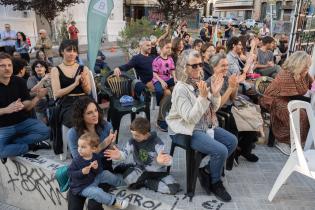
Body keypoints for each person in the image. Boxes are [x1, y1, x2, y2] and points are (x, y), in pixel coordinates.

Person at [166, 50, 237, 202]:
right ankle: (215, 181)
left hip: (205, 125)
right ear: (184, 67)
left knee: (232, 141)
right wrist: (204, 98)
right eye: (194, 66)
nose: (198, 68)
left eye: (200, 65)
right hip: (187, 130)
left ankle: (206, 170)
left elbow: (214, 107)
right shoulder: (180, 88)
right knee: (221, 150)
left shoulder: (200, 82)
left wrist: (216, 93)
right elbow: (190, 118)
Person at [104, 117, 180, 194]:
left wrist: (163, 161)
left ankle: (146, 182)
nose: (133, 137)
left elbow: (168, 159)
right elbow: (124, 154)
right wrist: (119, 155)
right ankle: (130, 167)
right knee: (128, 181)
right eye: (132, 134)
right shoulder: (132, 141)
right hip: (141, 169)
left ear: (146, 134)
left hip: (158, 172)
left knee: (173, 188)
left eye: (136, 135)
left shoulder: (157, 142)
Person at [209, 53, 259, 166]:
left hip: (230, 108)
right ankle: (235, 153)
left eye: (227, 65)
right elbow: (218, 106)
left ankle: (244, 150)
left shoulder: (226, 77)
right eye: (222, 65)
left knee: (253, 120)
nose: (226, 68)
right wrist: (230, 87)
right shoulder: (211, 81)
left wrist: (235, 85)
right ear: (214, 67)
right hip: (218, 113)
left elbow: (232, 98)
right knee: (242, 123)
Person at [0, 53, 50, 164]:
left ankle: (13, 144)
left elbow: (28, 104)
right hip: (3, 127)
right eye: (2, 66)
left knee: (46, 132)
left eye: (9, 65)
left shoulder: (19, 81)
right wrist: (6, 109)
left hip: (22, 122)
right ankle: (26, 146)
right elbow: (6, 110)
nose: (7, 68)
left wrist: (36, 98)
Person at [261, 51, 313, 156]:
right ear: (299, 64)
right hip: (275, 100)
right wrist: (309, 101)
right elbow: (292, 95)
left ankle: (299, 142)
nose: (308, 67)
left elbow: (312, 85)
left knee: (307, 112)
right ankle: (283, 141)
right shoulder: (286, 74)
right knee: (299, 114)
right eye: (306, 65)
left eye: (308, 65)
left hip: (290, 99)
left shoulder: (304, 74)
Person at [68, 132, 129, 209]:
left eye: (83, 147)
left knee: (106, 173)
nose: (79, 149)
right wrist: (81, 172)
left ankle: (121, 183)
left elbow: (99, 171)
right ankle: (115, 202)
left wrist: (96, 168)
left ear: (93, 149)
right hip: (82, 186)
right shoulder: (77, 160)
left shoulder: (95, 156)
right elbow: (70, 173)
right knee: (97, 192)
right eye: (78, 146)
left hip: (93, 178)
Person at [51, 39, 91, 128]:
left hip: (84, 100)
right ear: (62, 52)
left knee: (97, 119)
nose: (72, 53)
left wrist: (84, 83)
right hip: (67, 103)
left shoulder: (83, 68)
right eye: (69, 50)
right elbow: (57, 93)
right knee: (75, 121)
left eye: (74, 51)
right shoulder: (55, 70)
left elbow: (88, 91)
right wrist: (75, 84)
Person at [68, 96, 116, 166]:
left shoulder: (107, 125)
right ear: (81, 116)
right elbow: (79, 161)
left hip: (105, 165)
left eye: (96, 110)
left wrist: (112, 144)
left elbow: (110, 155)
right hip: (86, 170)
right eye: (89, 113)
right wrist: (103, 145)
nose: (95, 115)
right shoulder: (73, 133)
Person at [152, 39, 177, 131]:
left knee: (178, 89)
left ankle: (174, 114)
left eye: (170, 48)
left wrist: (174, 78)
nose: (169, 49)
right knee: (161, 92)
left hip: (167, 80)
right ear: (161, 48)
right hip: (158, 80)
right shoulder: (157, 60)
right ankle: (161, 118)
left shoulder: (170, 59)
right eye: (167, 48)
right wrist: (161, 82)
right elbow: (154, 73)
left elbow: (172, 70)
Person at [27, 60, 53, 124]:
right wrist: (43, 80)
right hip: (40, 108)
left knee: (53, 124)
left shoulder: (51, 76)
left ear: (45, 68)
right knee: (44, 126)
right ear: (34, 69)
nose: (39, 68)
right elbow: (32, 91)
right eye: (37, 67)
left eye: (41, 66)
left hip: (52, 105)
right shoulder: (31, 78)